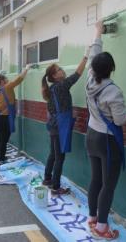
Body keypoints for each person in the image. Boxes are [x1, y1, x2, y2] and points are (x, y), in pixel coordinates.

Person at [85, 21, 126, 240]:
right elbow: (120, 120)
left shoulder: (90, 81)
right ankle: (102, 228)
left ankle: (92, 218)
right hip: (107, 141)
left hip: (90, 136)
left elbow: (95, 53)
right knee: (108, 185)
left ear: (94, 68)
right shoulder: (113, 91)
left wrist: (98, 33)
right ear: (111, 69)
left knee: (95, 180)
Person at [41, 55, 89, 195]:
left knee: (53, 154)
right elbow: (77, 75)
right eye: (59, 69)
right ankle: (56, 187)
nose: (62, 70)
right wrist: (85, 57)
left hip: (53, 126)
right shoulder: (61, 86)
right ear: (55, 76)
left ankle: (47, 179)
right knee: (59, 157)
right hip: (59, 128)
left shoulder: (52, 89)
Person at [0, 65, 30, 164]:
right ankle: (2, 158)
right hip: (5, 118)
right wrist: (26, 69)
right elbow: (19, 79)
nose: (8, 80)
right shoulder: (7, 87)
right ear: (2, 81)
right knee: (4, 139)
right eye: (6, 79)